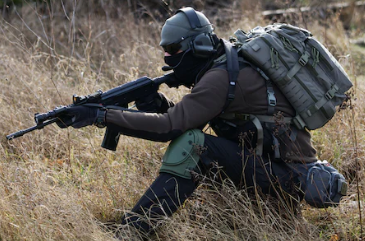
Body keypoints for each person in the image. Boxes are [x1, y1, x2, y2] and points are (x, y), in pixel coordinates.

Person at [57, 7, 318, 236]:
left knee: (193, 146)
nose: (168, 57)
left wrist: (101, 116)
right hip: (274, 169)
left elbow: (170, 127)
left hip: (287, 178)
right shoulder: (226, 63)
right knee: (192, 140)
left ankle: (132, 231)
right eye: (165, 50)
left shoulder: (220, 77)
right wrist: (156, 104)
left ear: (200, 45)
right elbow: (185, 118)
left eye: (173, 49)